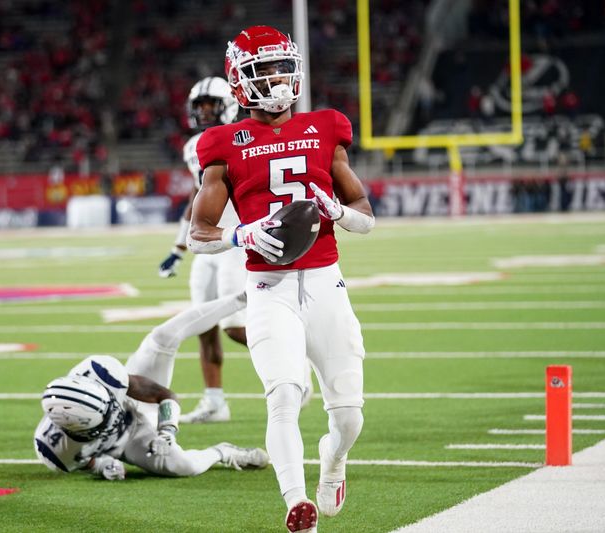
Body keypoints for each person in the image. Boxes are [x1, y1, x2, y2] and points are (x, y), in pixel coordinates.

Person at [187, 26, 375, 533]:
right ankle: (296, 504)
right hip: (268, 289)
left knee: (350, 417)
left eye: (280, 65)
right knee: (284, 394)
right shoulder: (221, 143)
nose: (275, 77)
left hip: (324, 281)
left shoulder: (327, 126)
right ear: (239, 80)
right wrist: (240, 237)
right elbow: (197, 233)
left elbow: (366, 213)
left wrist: (340, 211)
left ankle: (332, 460)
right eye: (262, 68)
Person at [34, 292, 269, 479]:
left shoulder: (102, 373)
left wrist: (167, 431)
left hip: (134, 403)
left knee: (162, 337)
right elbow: (82, 460)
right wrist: (102, 465)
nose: (111, 413)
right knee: (184, 466)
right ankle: (224, 452)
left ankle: (244, 296)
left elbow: (164, 395)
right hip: (128, 443)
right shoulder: (53, 449)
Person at [157, 76, 244, 424]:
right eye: (200, 107)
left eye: (212, 106)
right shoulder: (193, 146)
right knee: (202, 324)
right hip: (205, 244)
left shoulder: (244, 137)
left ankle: (293, 366)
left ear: (230, 106)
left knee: (235, 328)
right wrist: (178, 249)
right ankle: (214, 401)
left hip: (235, 241)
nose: (205, 113)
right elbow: (198, 196)